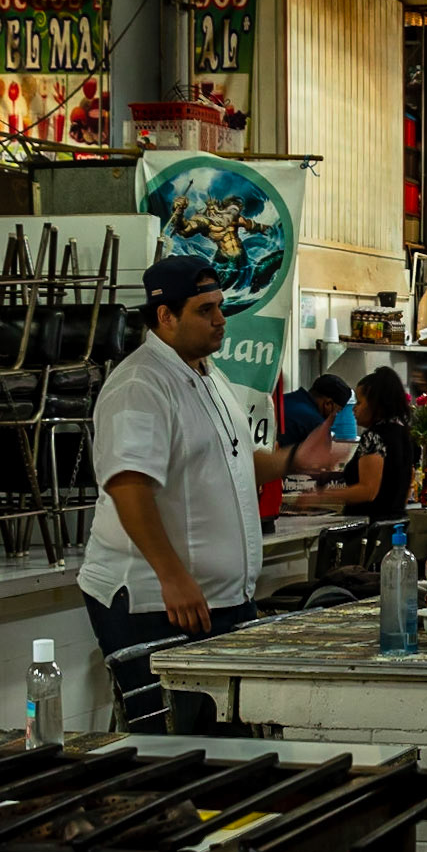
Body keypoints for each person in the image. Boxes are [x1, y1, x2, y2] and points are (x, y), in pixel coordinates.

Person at [78, 255, 333, 660]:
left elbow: (235, 463)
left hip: (218, 601)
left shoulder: (211, 376)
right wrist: (173, 576)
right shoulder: (140, 386)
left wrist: (292, 459)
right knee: (164, 724)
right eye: (205, 310)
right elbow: (130, 489)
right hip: (156, 602)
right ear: (166, 316)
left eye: (220, 306)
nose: (221, 319)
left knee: (216, 724)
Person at [288, 365, 414, 520]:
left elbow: (367, 491)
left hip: (371, 528)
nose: (354, 409)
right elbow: (408, 482)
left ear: (375, 404)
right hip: (396, 526)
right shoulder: (403, 433)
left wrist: (318, 496)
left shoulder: (374, 437)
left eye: (359, 403)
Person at [278, 372, 355, 449]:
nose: (335, 415)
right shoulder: (316, 424)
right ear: (328, 404)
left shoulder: (282, 400)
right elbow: (322, 459)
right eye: (337, 411)